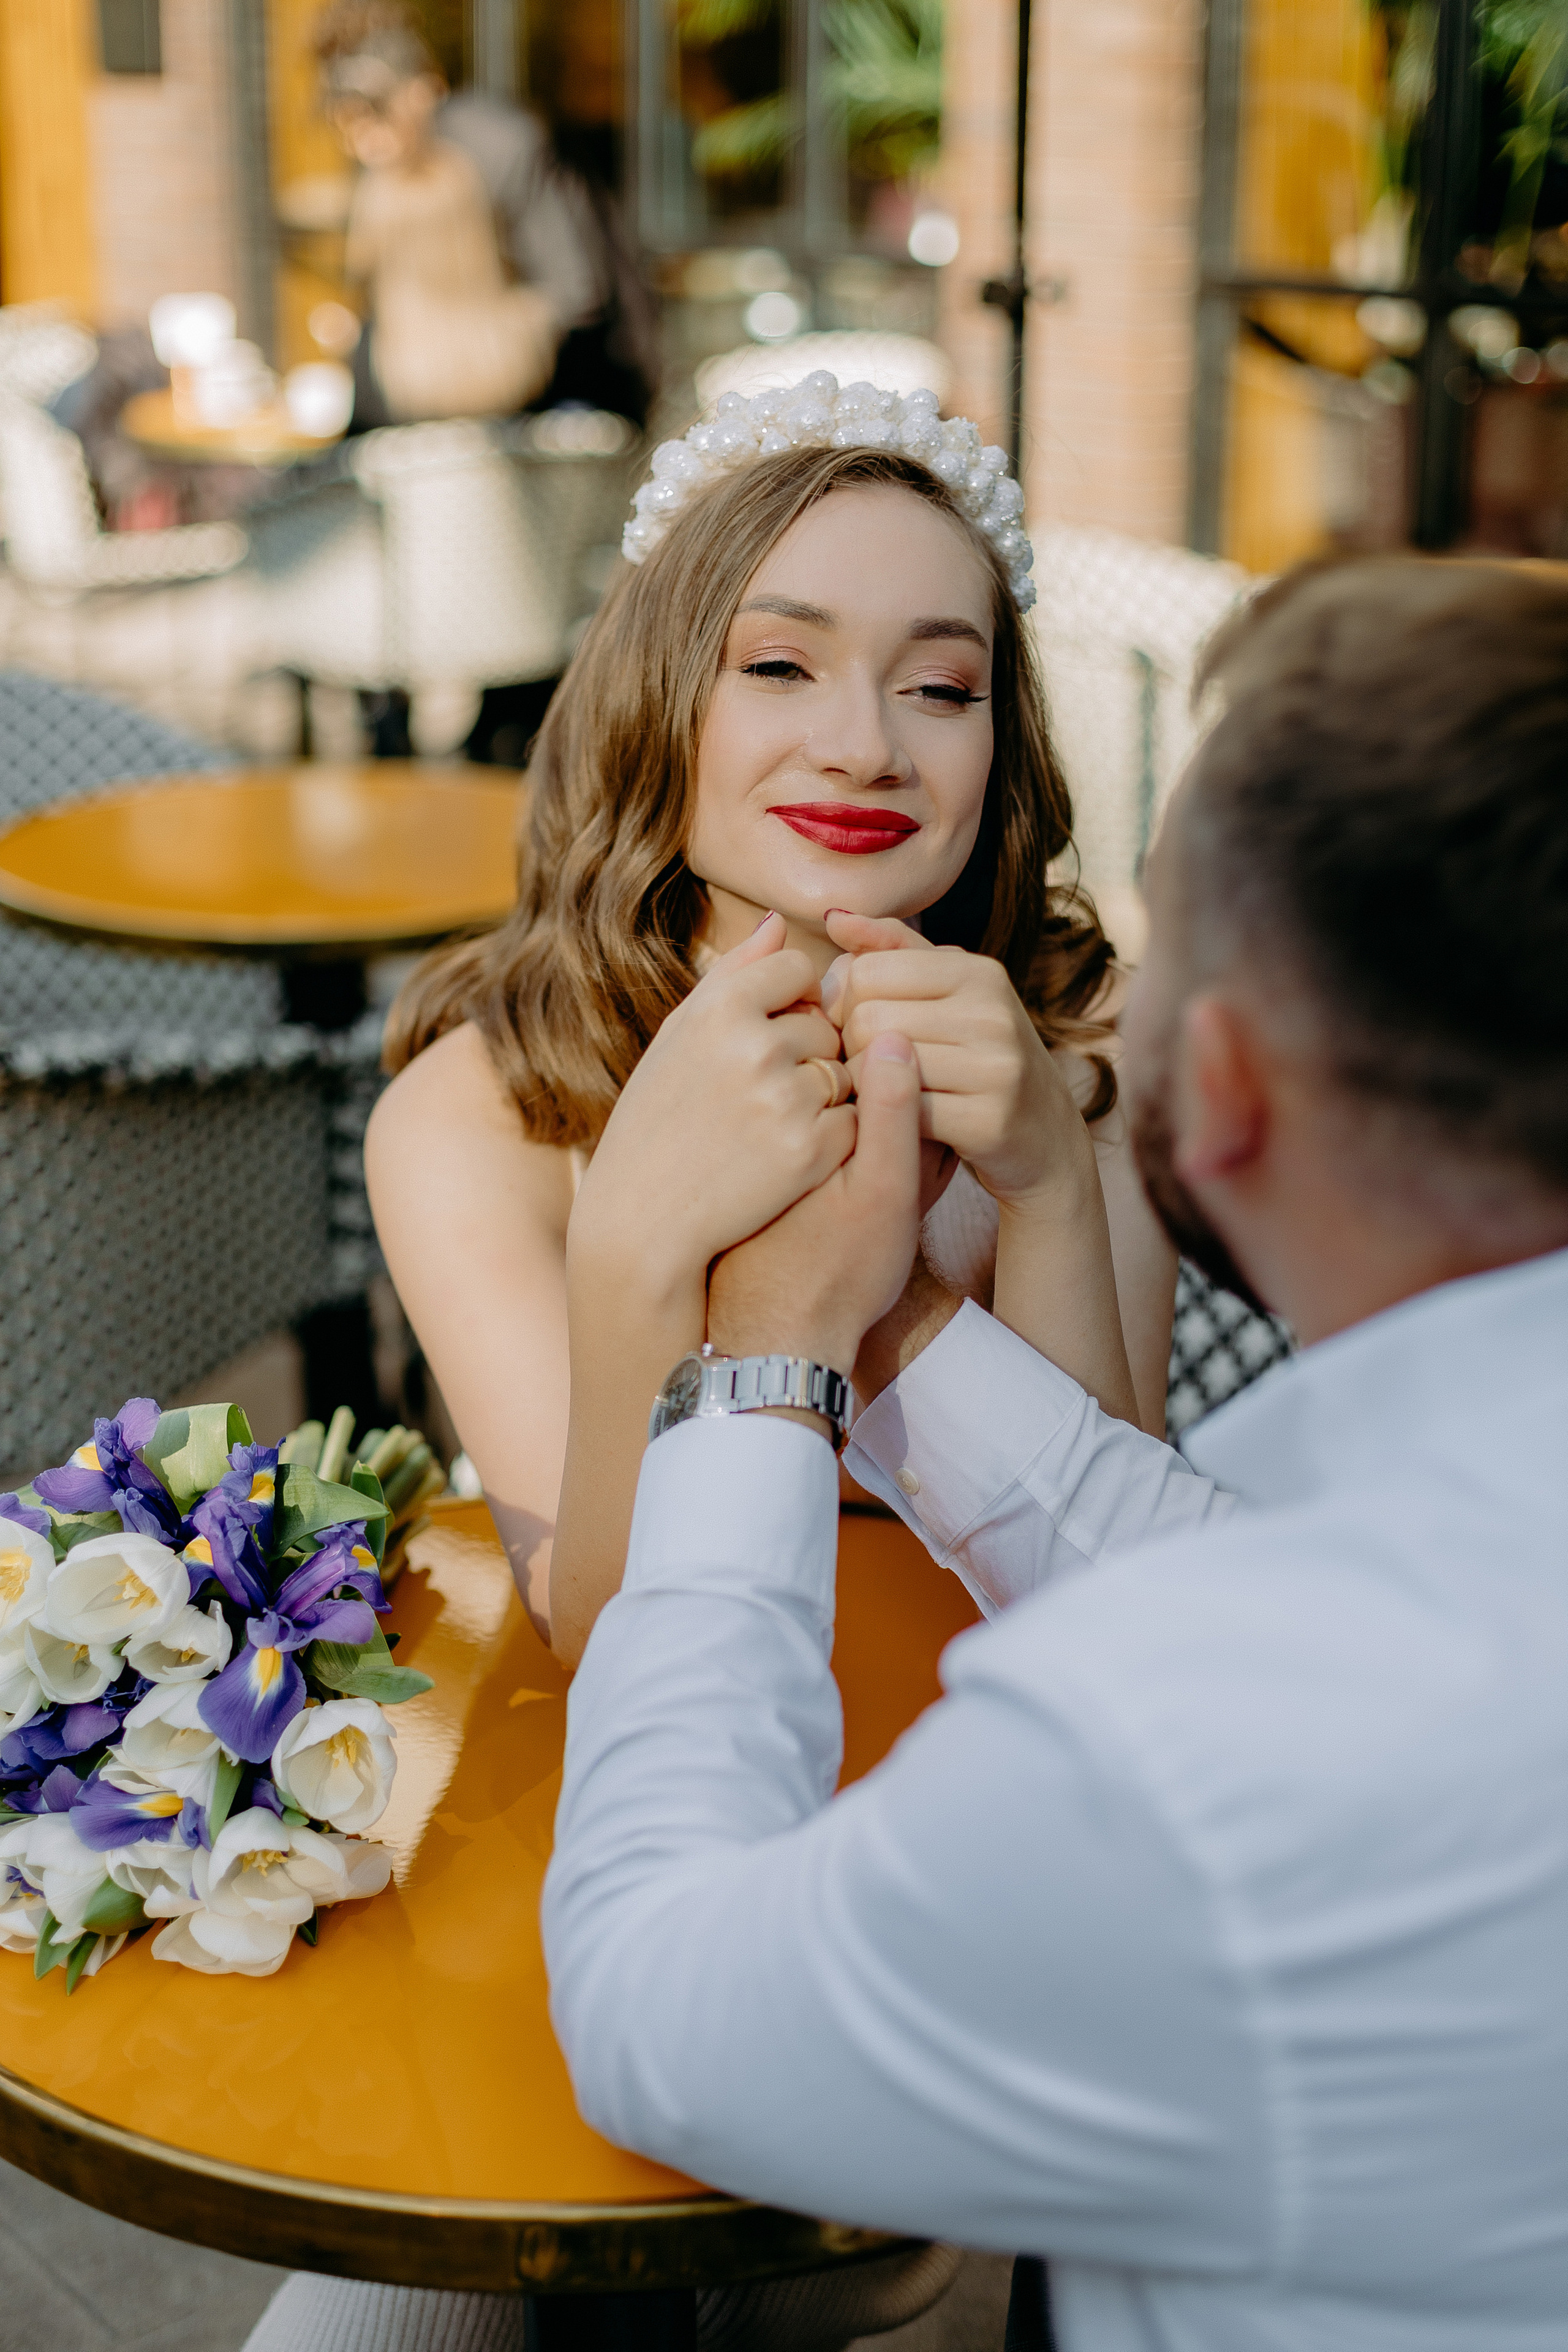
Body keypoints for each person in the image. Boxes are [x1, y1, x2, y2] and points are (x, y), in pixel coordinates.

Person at [539, 554, 1568, 2350]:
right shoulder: (1407, 1537)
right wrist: (891, 1328)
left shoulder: (1170, 1754)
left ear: (1223, 1079)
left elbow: (652, 2017)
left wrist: (766, 1362)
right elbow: (1227, 1573)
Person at [366, 379, 1177, 1674]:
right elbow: (598, 1634)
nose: (862, 747)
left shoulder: (1092, 1043)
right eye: (780, 666)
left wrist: (1048, 1193)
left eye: (939, 686)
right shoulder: (480, 1113)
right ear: (656, 696)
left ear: (998, 741)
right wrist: (636, 1249)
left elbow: (1121, 1598)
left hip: (1013, 1734)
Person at [313, 2, 655, 431]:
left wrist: (480, 346)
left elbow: (577, 290)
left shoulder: (500, 148)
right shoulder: (389, 156)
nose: (363, 148)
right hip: (432, 387)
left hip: (551, 382)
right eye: (348, 130)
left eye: (374, 121)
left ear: (423, 90)